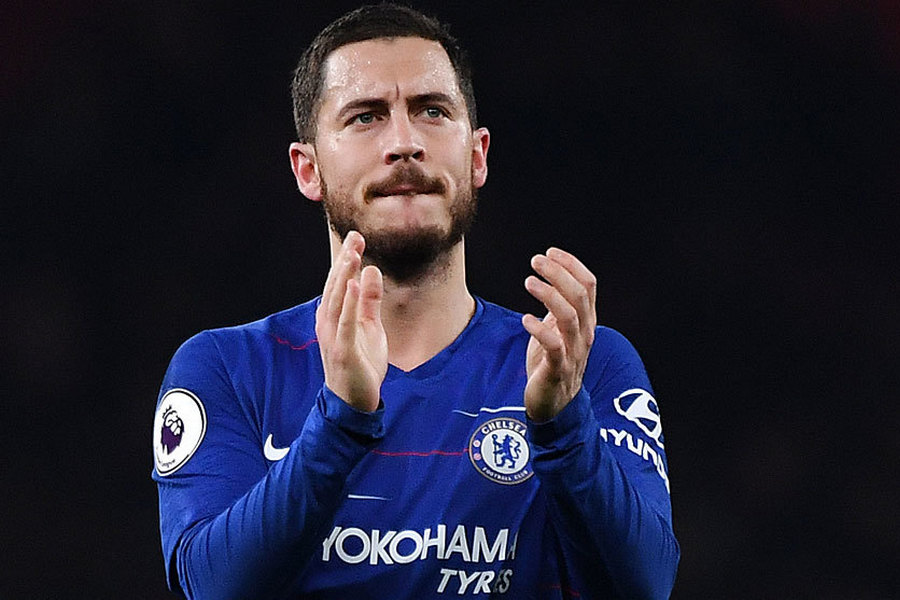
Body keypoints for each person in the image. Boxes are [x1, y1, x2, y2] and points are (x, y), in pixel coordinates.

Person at [152, 4, 679, 599]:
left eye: (432, 111)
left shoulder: (579, 364)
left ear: (477, 156)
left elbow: (647, 587)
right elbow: (212, 588)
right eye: (365, 117)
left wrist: (563, 429)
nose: (404, 143)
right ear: (308, 169)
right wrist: (340, 421)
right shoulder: (228, 369)